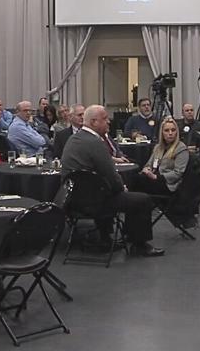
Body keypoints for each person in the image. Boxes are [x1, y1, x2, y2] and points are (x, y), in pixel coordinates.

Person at [61, 105, 164, 257]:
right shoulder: (95, 143)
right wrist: (122, 188)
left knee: (108, 191)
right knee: (142, 200)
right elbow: (111, 174)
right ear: (94, 122)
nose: (109, 121)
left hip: (73, 200)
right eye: (104, 119)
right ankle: (139, 244)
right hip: (94, 202)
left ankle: (105, 239)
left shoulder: (73, 139)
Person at [133, 117, 189, 197]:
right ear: (162, 133)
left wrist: (157, 177)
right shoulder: (158, 147)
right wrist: (147, 169)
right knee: (135, 178)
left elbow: (178, 173)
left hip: (167, 183)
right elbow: (148, 164)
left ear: (177, 132)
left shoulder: (181, 148)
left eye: (173, 130)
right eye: (166, 130)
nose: (170, 133)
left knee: (138, 182)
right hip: (153, 178)